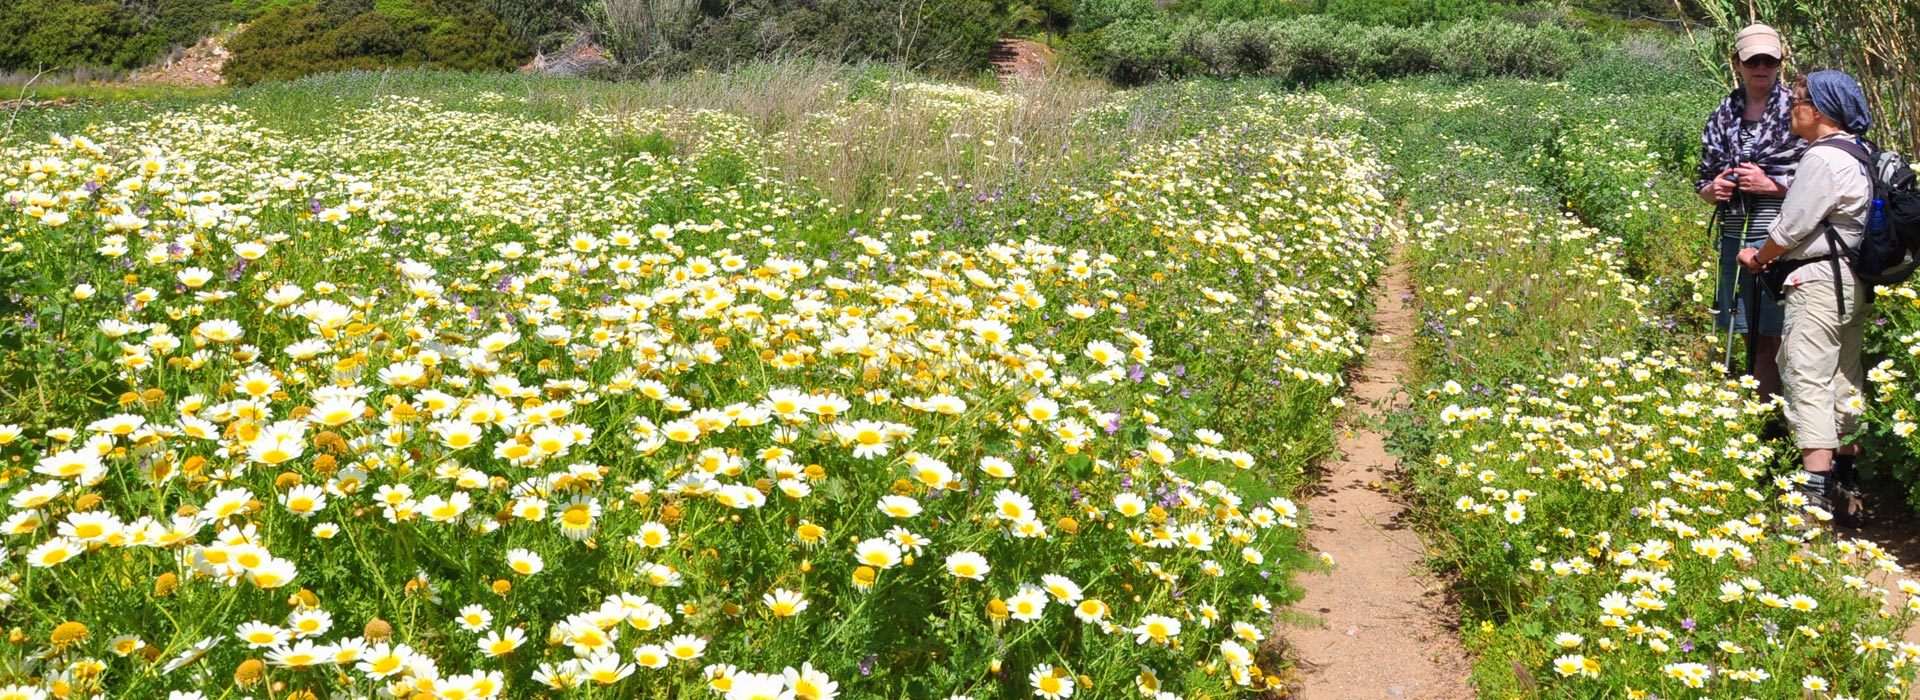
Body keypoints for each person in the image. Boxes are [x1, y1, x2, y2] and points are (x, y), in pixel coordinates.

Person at [1736, 70, 1876, 515]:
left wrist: (1758, 257)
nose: (1790, 106)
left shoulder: (1822, 159)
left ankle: (1810, 500)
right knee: (1844, 378)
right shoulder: (1859, 153)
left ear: (1817, 111)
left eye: (1797, 99)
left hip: (1817, 283)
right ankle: (1849, 483)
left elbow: (1791, 228)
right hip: (1851, 281)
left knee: (1806, 376)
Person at [1698, 24, 1803, 401]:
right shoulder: (1724, 113)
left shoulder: (1800, 111)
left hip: (1781, 236)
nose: (1762, 66)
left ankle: (1773, 424)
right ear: (1736, 63)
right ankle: (1759, 418)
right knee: (1745, 330)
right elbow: (1703, 180)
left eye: (1769, 60)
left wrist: (1771, 185)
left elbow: (1821, 181)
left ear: (1779, 63)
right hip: (1733, 235)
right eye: (1753, 59)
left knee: (1773, 334)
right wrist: (1714, 189)